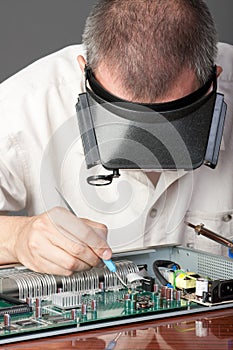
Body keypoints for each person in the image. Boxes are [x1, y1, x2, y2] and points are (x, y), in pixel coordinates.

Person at [0, 0, 232, 276]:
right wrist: (16, 238)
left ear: (212, 81)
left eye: (172, 121)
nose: (149, 146)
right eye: (123, 118)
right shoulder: (24, 104)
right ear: (85, 71)